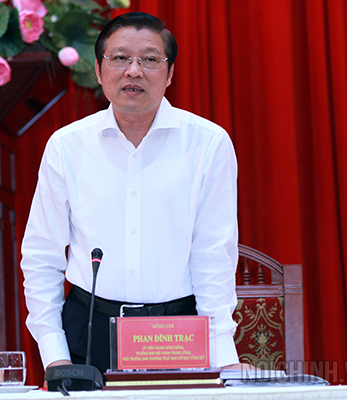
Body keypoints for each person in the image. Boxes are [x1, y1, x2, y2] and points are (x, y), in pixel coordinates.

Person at [20, 11, 240, 374]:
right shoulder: (67, 146)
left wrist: (223, 357)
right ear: (98, 69)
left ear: (170, 74)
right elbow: (42, 256)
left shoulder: (208, 143)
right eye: (120, 58)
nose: (134, 71)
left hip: (177, 333)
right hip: (89, 332)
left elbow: (213, 256)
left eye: (150, 59)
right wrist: (55, 353)